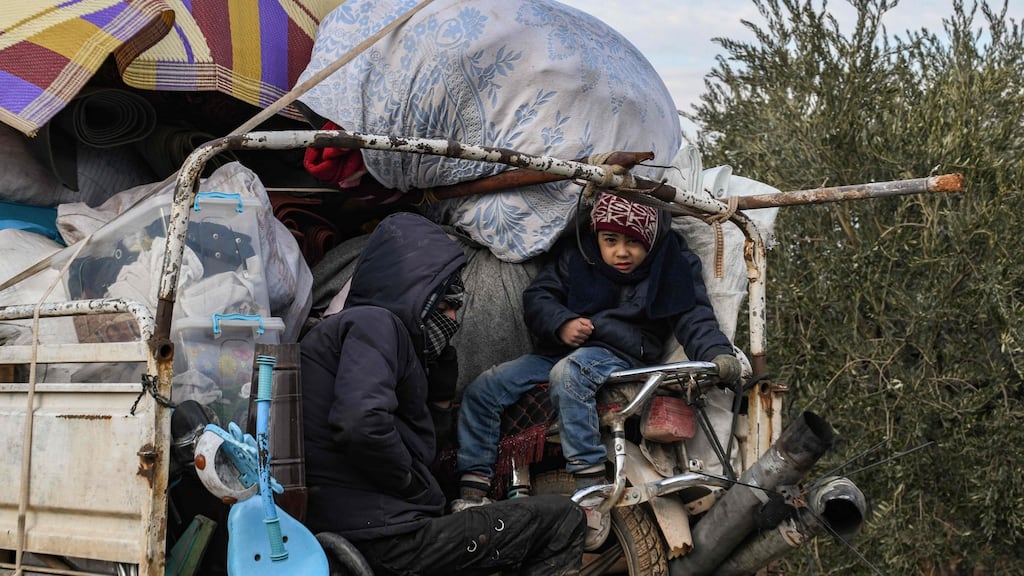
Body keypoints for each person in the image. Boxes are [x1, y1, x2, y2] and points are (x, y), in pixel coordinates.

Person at [300, 212, 586, 576]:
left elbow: (418, 444)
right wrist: (410, 484)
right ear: (417, 297)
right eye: (446, 305)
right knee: (563, 519)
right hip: (385, 536)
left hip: (372, 527)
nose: (453, 318)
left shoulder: (371, 335)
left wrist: (438, 388)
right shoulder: (375, 324)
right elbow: (360, 423)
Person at [455, 193, 742, 550]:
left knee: (569, 374)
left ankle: (590, 489)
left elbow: (694, 315)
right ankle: (473, 490)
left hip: (622, 356)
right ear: (597, 236)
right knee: (485, 387)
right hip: (562, 348)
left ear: (650, 241)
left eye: (634, 242)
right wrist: (561, 324)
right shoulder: (578, 253)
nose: (622, 252)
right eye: (611, 241)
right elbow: (539, 297)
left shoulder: (671, 262)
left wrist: (718, 355)